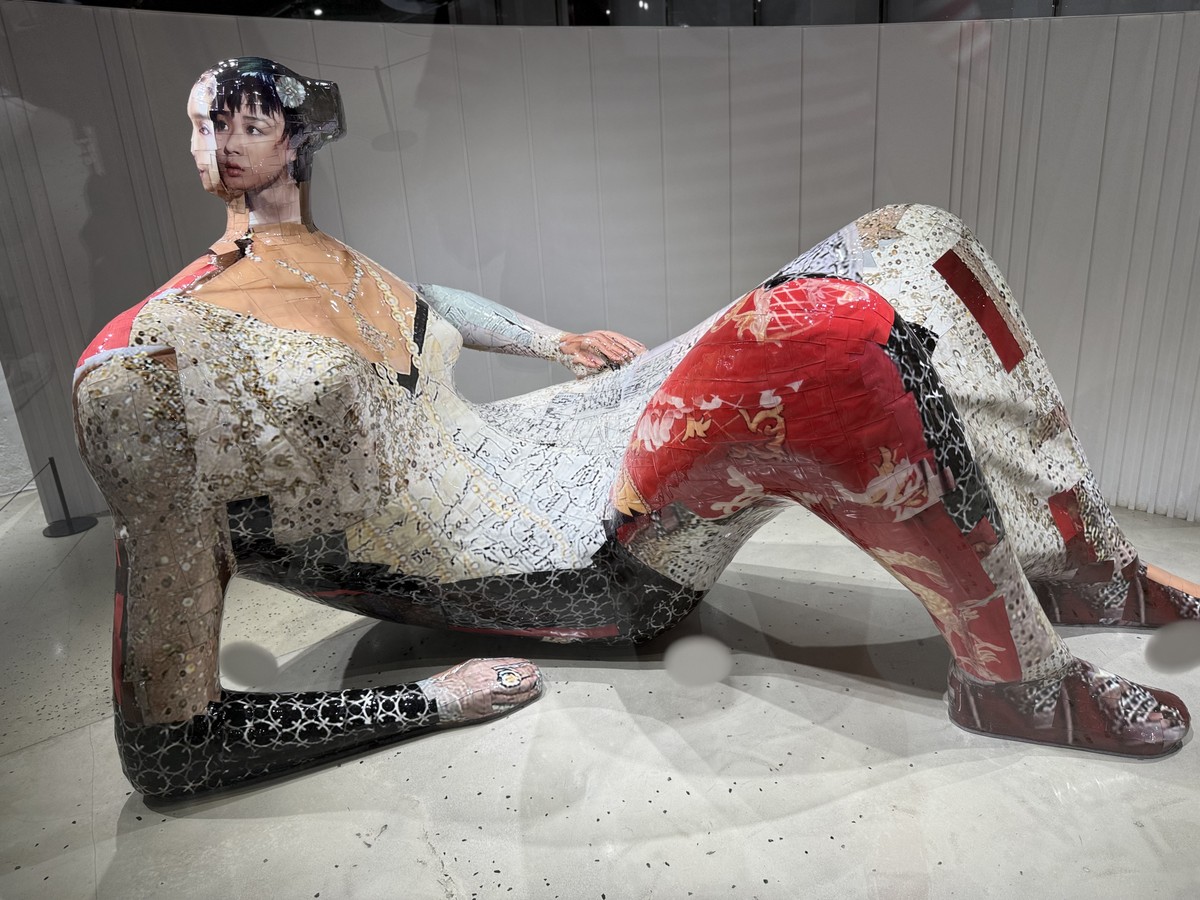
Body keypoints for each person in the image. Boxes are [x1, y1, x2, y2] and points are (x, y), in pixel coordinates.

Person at [75, 58, 1200, 800]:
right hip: (541, 557)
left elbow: (432, 307)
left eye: (247, 117)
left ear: (294, 136)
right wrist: (428, 699)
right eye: (206, 121)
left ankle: (1080, 563)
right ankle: (1014, 677)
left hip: (555, 438)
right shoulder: (147, 367)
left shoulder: (327, 262)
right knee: (822, 338)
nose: (222, 137)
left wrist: (553, 339)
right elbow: (169, 748)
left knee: (911, 234)